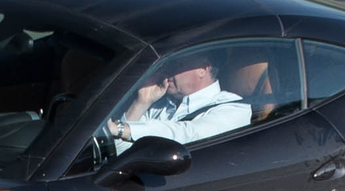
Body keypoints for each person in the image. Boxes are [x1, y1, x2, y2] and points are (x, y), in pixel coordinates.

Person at [106, 53, 248, 147]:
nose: (167, 71)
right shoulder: (159, 104)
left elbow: (189, 134)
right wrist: (141, 103)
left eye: (177, 65)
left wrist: (122, 129)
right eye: (167, 65)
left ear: (203, 69)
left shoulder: (233, 107)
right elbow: (119, 150)